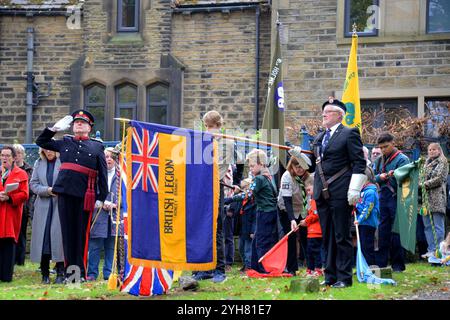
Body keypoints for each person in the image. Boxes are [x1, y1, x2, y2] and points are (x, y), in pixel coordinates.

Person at [35, 110, 108, 282]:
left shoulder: (97, 147)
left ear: (89, 127)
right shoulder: (64, 142)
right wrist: (54, 129)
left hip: (85, 196)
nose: (79, 124)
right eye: (76, 122)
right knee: (67, 236)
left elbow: (102, 175)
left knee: (81, 236)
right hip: (65, 194)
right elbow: (41, 141)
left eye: (83, 122)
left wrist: (101, 197)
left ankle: (80, 274)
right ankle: (71, 275)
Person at [307, 97, 367, 288]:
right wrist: (298, 156)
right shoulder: (319, 137)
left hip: (341, 191)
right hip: (322, 193)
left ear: (340, 115)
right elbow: (311, 166)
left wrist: (355, 188)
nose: (324, 114)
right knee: (327, 236)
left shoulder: (349, 133)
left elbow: (359, 163)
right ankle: (330, 275)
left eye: (329, 111)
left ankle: (344, 277)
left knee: (341, 235)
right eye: (324, 111)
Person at [193, 111, 242, 283]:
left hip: (215, 187)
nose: (208, 130)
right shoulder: (201, 140)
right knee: (201, 227)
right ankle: (203, 268)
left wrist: (208, 177)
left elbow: (220, 167)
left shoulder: (227, 143)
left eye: (210, 127)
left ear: (218, 126)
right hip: (201, 188)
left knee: (217, 227)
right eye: (206, 126)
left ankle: (219, 269)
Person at [373, 132, 409, 272]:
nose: (383, 150)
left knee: (397, 233)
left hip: (397, 198)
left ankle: (398, 265)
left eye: (386, 147)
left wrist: (394, 175)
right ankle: (381, 265)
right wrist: (380, 177)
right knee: (382, 232)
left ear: (393, 143)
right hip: (383, 197)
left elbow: (407, 179)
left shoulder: (402, 159)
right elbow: (371, 176)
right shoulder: (379, 160)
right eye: (381, 147)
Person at [29, 148, 65, 284]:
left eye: (51, 149)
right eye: (45, 150)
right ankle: (45, 274)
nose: (48, 152)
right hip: (43, 207)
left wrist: (58, 190)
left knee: (59, 239)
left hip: (59, 206)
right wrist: (47, 190)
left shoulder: (63, 162)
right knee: (44, 240)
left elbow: (67, 181)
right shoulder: (39, 163)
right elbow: (33, 184)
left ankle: (61, 272)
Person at [87, 147, 123, 281]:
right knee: (95, 245)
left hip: (114, 215)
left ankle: (108, 274)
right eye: (106, 157)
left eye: (111, 157)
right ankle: (92, 273)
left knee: (110, 245)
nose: (108, 159)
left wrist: (115, 205)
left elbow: (125, 195)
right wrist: (99, 202)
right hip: (98, 213)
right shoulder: (96, 174)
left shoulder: (121, 176)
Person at [277, 147, 312, 275]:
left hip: (303, 209)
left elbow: (310, 197)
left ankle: (311, 266)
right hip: (287, 209)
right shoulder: (287, 176)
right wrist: (292, 219)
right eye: (296, 166)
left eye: (301, 166)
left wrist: (308, 216)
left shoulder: (309, 177)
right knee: (291, 238)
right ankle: (291, 268)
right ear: (291, 165)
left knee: (306, 237)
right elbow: (287, 200)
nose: (299, 169)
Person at [0, 145, 29, 282]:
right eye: (2, 155)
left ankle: (6, 276)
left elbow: (25, 194)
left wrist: (10, 198)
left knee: (9, 245)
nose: (4, 158)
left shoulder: (21, 174)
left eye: (8, 156)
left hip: (12, 214)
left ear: (13, 158)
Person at [420, 143, 449, 259]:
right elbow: (420, 177)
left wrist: (423, 184)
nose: (431, 151)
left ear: (439, 150)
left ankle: (440, 251)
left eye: (434, 149)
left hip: (437, 198)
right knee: (427, 225)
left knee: (438, 226)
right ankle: (431, 250)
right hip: (425, 199)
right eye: (430, 150)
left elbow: (439, 178)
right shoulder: (425, 164)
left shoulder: (443, 162)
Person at [12, 144, 34, 266]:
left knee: (21, 234)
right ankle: (11, 259)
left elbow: (31, 189)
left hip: (24, 206)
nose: (17, 156)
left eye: (19, 153)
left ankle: (20, 260)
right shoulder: (7, 170)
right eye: (15, 154)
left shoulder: (29, 170)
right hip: (10, 205)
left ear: (23, 155)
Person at [354, 171, 380, 266]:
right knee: (361, 245)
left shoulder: (370, 192)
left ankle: (370, 265)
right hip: (362, 223)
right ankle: (363, 266)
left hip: (368, 223)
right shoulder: (362, 192)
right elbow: (359, 205)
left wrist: (359, 220)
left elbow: (368, 208)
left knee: (367, 245)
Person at [299, 178, 323, 277]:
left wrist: (306, 221)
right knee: (309, 251)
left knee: (315, 251)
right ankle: (310, 269)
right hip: (311, 231)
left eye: (309, 190)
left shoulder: (316, 200)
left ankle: (318, 269)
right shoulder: (312, 200)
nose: (308, 193)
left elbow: (315, 214)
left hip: (316, 231)